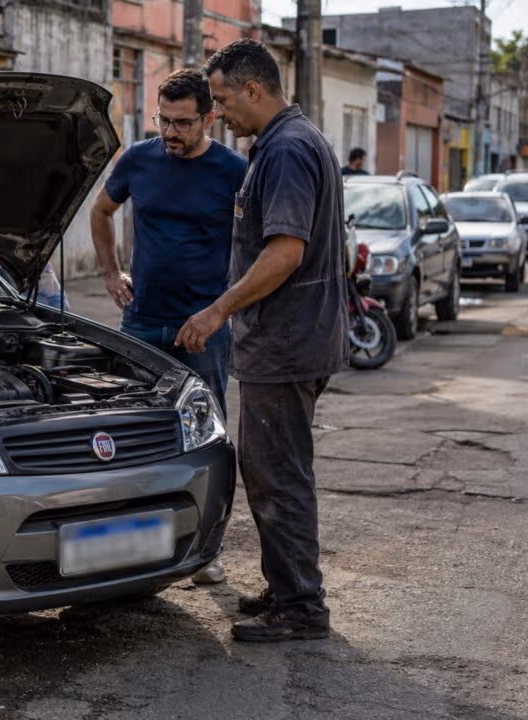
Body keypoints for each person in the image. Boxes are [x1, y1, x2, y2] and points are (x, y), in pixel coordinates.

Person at [176, 39, 349, 642]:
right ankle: (286, 586)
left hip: (287, 341)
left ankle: (301, 608)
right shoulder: (290, 141)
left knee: (279, 474)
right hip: (296, 337)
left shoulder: (287, 150)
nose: (218, 113)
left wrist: (218, 310)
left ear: (254, 89)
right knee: (273, 467)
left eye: (222, 99)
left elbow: (285, 251)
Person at [88, 68, 247, 586]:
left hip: (202, 327)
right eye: (164, 120)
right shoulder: (138, 158)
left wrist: (224, 308)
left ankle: (205, 550)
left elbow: (258, 243)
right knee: (130, 438)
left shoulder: (233, 171)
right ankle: (131, 545)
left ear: (209, 118)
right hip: (140, 322)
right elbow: (102, 210)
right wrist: (111, 272)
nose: (171, 133)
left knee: (205, 441)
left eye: (182, 123)